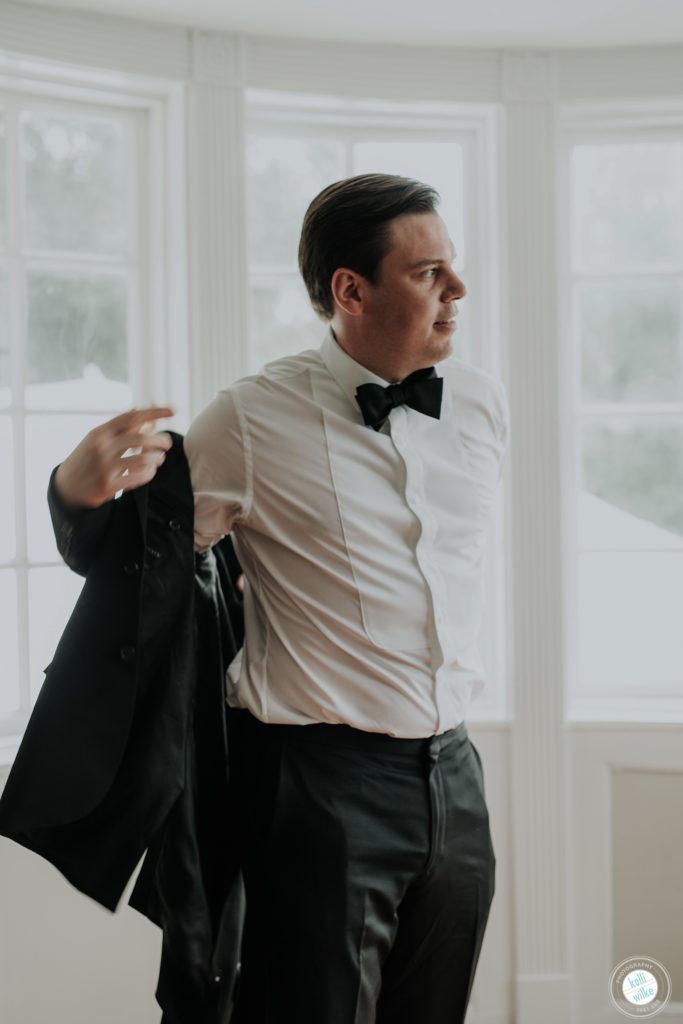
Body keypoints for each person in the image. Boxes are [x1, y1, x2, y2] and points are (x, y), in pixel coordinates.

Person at [53, 173, 510, 1024]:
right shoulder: (251, 419)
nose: (457, 290)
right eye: (428, 273)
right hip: (319, 790)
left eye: (453, 268)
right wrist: (74, 497)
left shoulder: (480, 405)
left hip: (455, 777)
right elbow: (136, 565)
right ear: (350, 289)